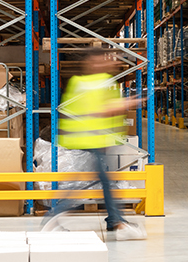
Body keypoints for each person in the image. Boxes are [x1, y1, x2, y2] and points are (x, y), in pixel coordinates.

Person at [41, 48, 147, 241]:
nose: (109, 63)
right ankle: (53, 219)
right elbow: (99, 110)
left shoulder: (91, 81)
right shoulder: (93, 83)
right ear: (91, 63)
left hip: (92, 140)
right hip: (87, 140)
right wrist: (126, 104)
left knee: (101, 183)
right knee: (92, 185)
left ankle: (116, 221)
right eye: (102, 60)